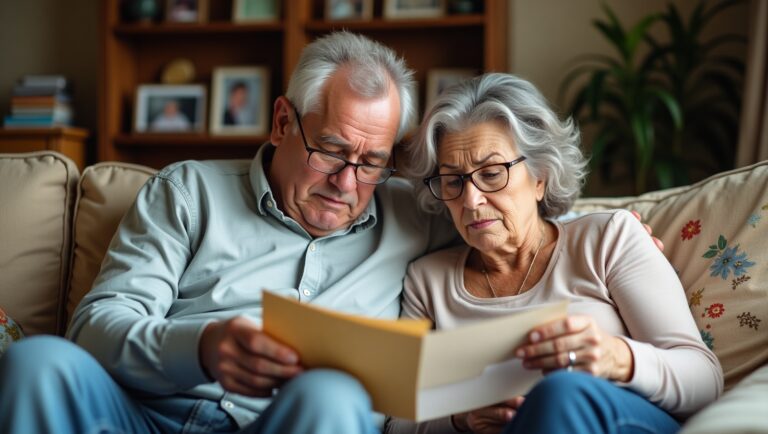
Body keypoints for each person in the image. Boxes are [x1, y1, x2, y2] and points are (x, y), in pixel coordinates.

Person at [0, 33, 660, 434]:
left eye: (373, 161)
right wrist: (199, 346)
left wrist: (593, 231)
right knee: (37, 361)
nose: (347, 181)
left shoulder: (414, 211)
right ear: (284, 121)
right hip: (146, 413)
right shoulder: (187, 190)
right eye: (331, 151)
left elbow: (495, 203)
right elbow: (97, 325)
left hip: (295, 423)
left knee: (333, 393)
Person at [385, 73, 723, 434]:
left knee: (561, 393)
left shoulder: (608, 238)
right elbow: (396, 422)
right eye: (453, 181)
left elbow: (705, 381)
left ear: (541, 176)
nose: (471, 200)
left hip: (613, 421)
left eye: (492, 173)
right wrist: (460, 420)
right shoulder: (427, 281)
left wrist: (617, 359)